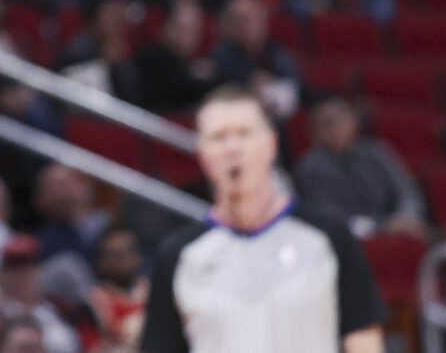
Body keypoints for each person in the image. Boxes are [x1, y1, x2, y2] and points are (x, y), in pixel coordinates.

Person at [140, 84, 386, 352]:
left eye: (244, 134)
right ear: (202, 154)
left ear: (271, 144)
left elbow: (364, 342)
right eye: (219, 137)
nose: (232, 148)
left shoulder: (330, 238)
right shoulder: (177, 258)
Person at [293, 96, 429, 238]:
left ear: (354, 122)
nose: (334, 129)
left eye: (340, 120)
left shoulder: (377, 152)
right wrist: (382, 226)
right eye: (326, 123)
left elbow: (406, 192)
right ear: (314, 132)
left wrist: (407, 215)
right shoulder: (310, 168)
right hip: (350, 238)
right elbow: (327, 216)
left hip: (400, 227)